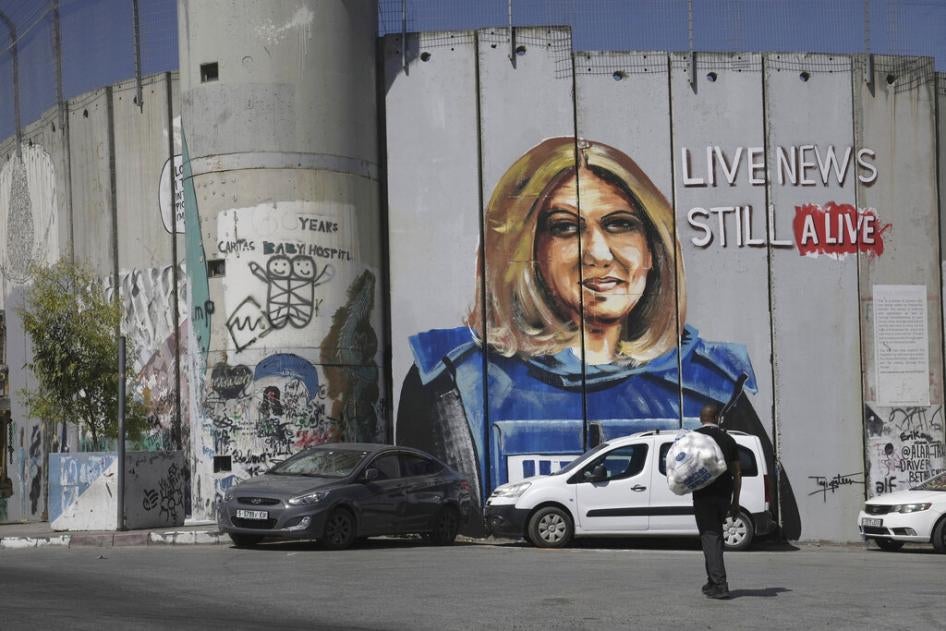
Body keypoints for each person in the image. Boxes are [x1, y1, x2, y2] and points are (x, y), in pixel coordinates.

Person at [396, 137, 758, 509]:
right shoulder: (455, 382)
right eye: (566, 228)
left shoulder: (711, 382)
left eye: (620, 224)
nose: (599, 253)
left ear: (654, 246)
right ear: (527, 250)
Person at [693, 403, 741, 599]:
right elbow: (737, 473)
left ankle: (720, 584)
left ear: (700, 419)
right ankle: (712, 582)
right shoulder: (728, 440)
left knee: (710, 536)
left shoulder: (693, 438)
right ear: (718, 418)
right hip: (723, 496)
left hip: (703, 495)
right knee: (713, 538)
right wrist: (735, 502)